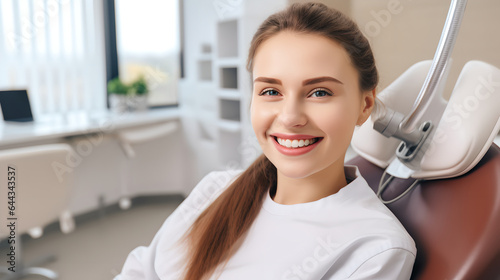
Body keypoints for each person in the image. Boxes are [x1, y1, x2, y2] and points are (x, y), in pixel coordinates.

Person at [115, 2, 416, 279]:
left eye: (319, 92)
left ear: (365, 105)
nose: (289, 117)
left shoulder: (375, 248)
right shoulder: (215, 189)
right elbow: (141, 272)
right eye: (271, 92)